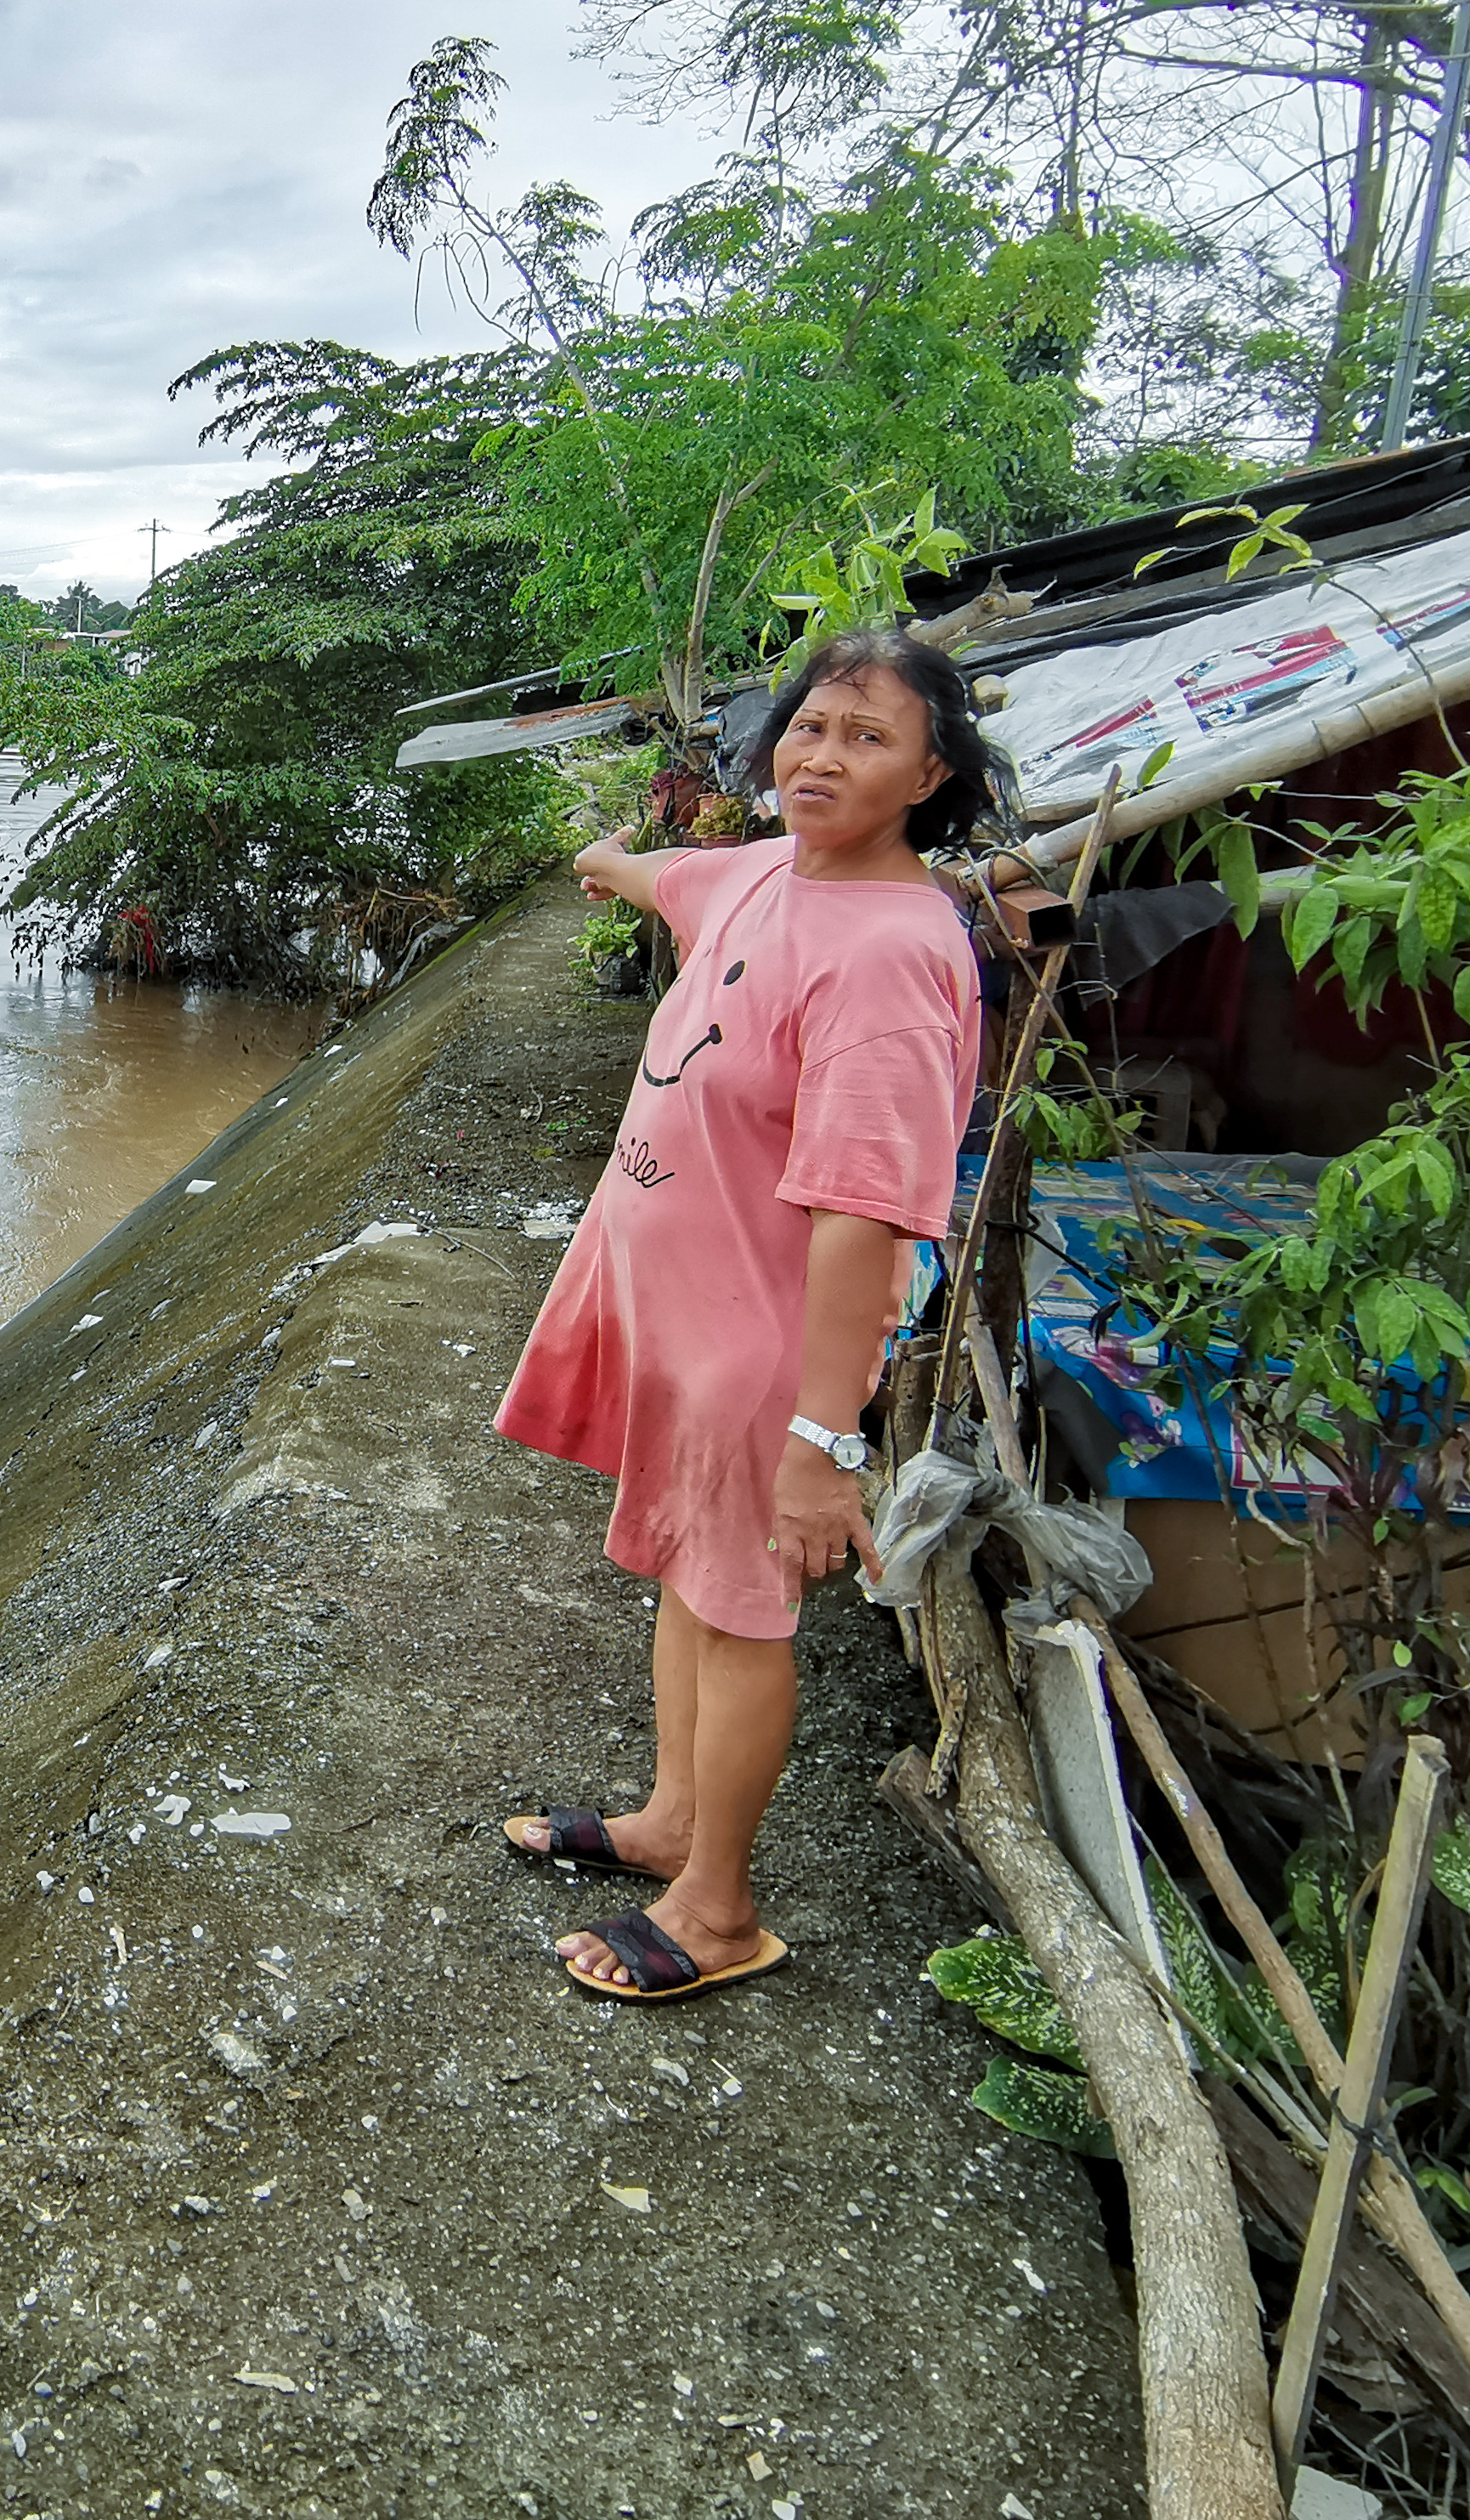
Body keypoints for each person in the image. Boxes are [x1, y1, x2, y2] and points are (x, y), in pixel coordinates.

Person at [491, 629, 1000, 2002]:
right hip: (687, 1318)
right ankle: (672, 1819)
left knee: (742, 1607)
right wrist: (608, 858)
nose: (824, 755)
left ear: (930, 772)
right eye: (810, 727)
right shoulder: (774, 871)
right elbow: (672, 879)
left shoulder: (893, 955)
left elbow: (867, 1217)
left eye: (867, 736)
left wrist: (820, 1444)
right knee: (689, 1574)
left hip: (770, 1351)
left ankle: (719, 1907)